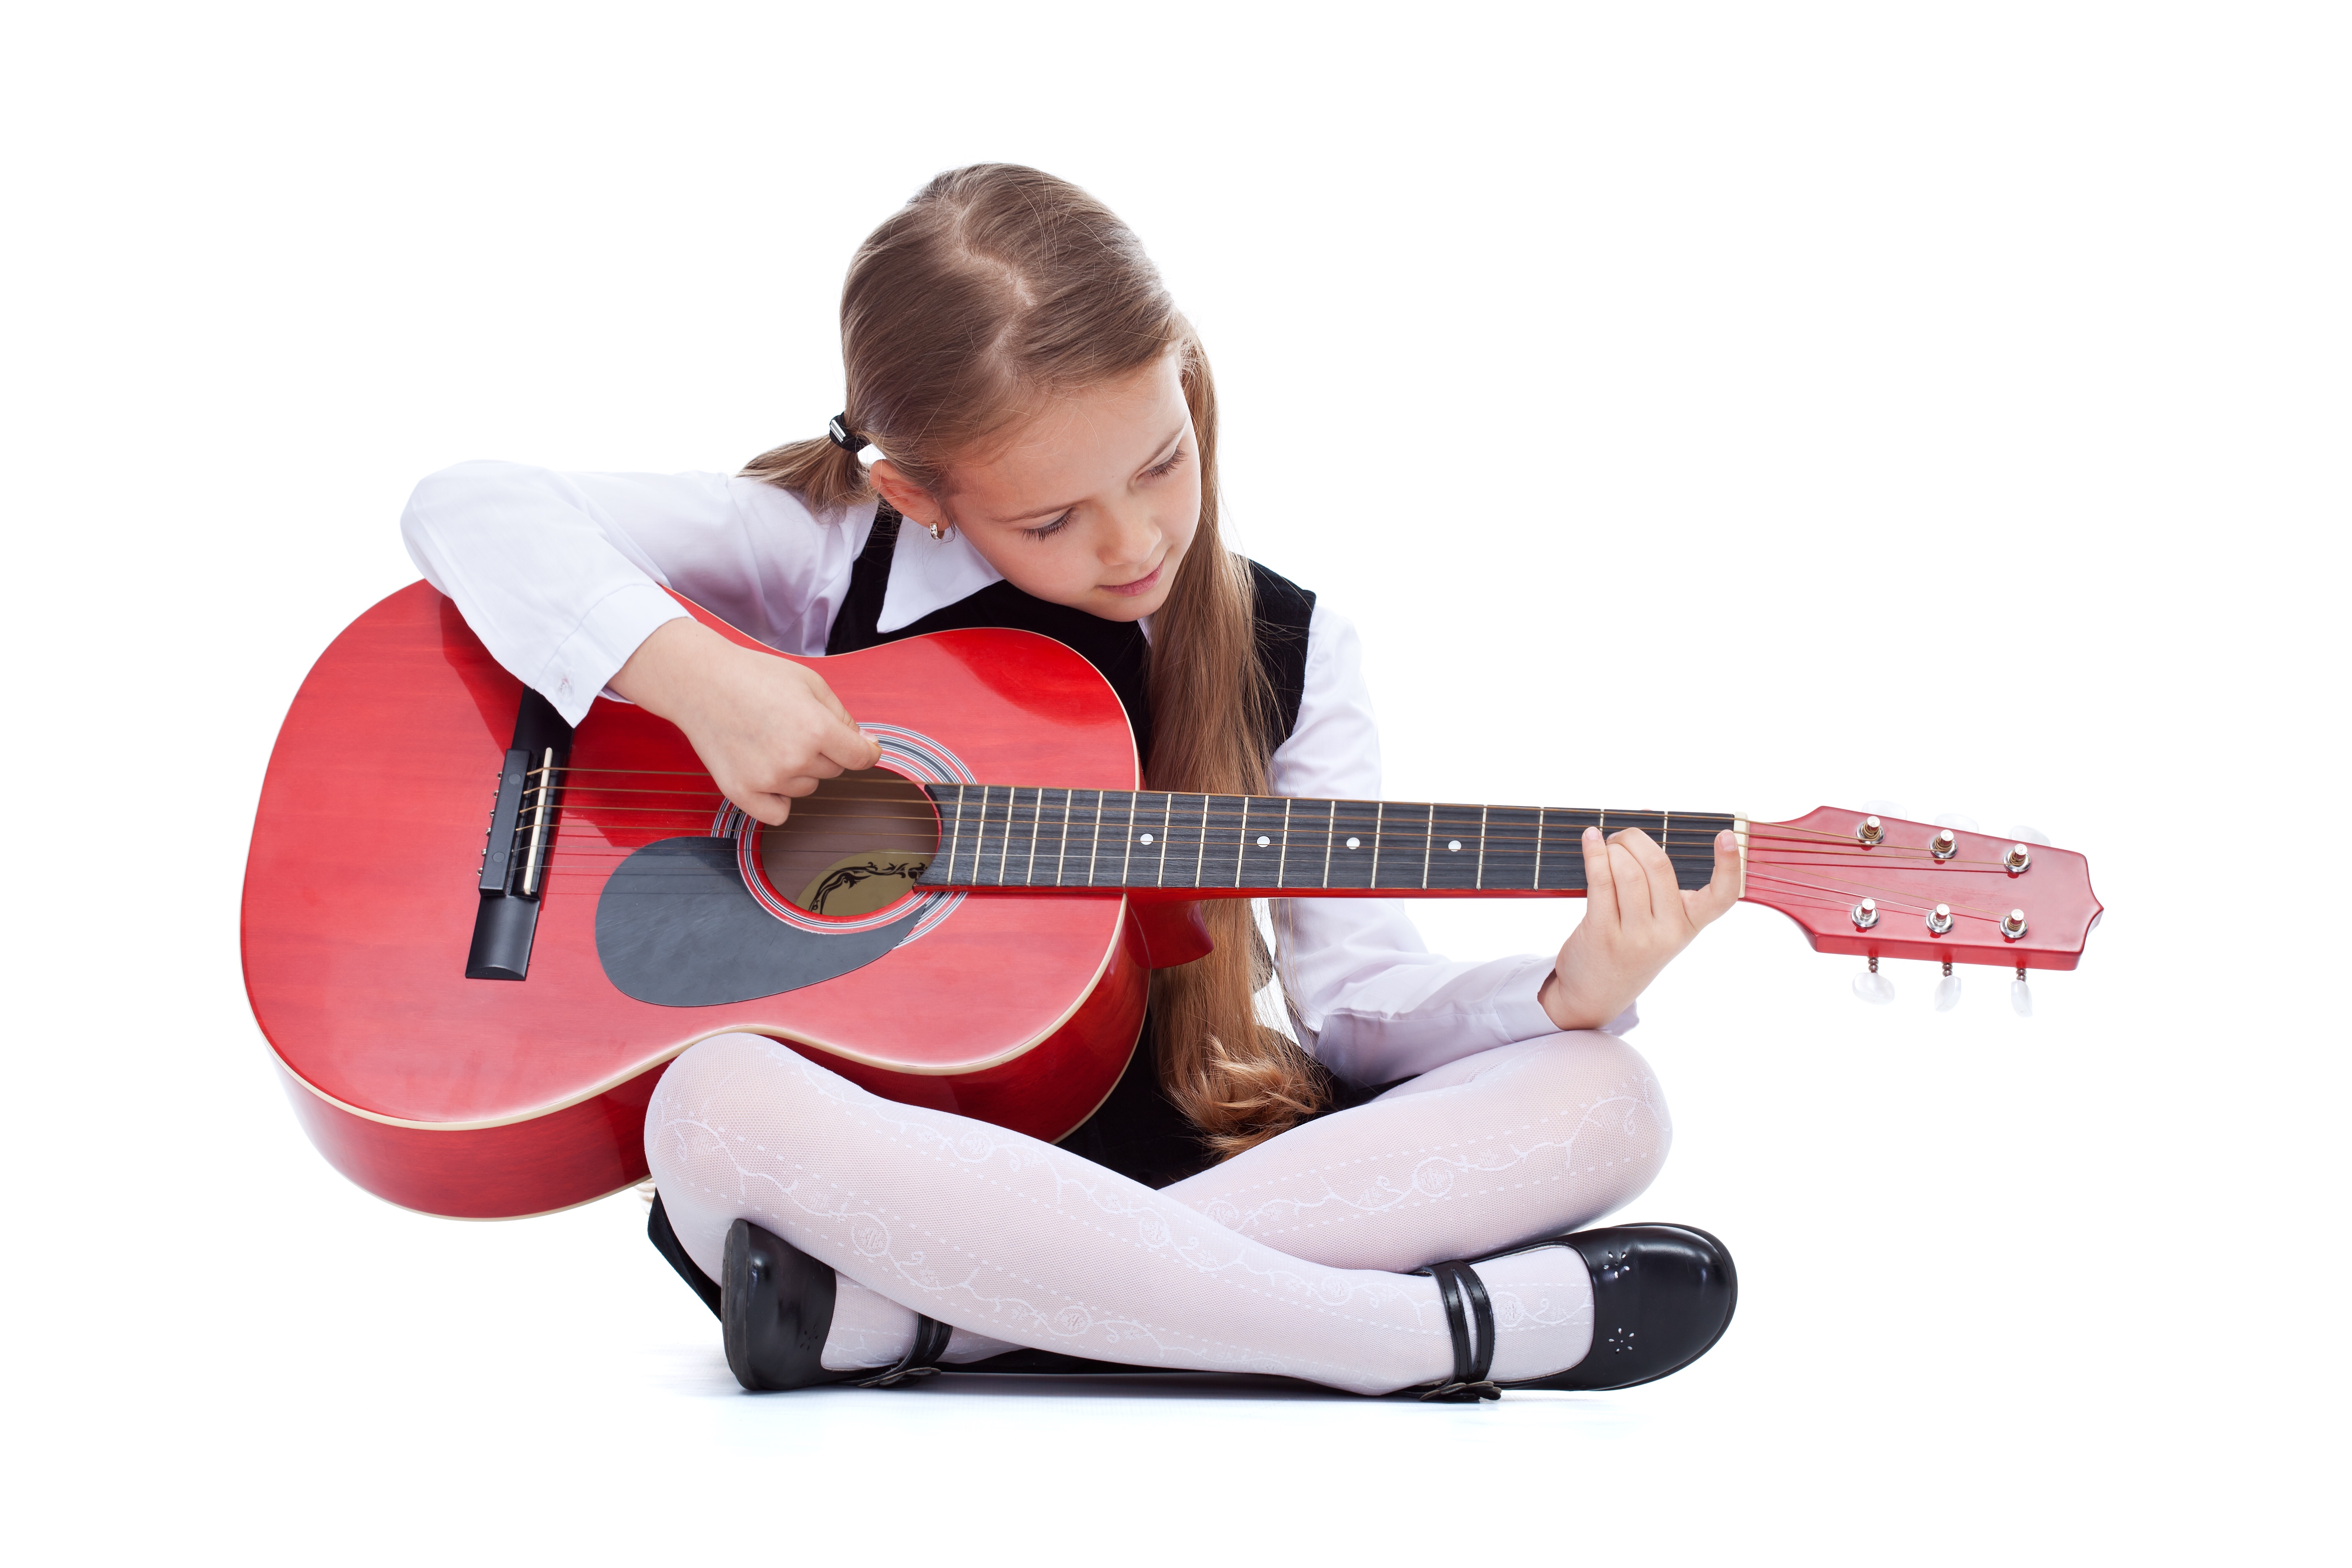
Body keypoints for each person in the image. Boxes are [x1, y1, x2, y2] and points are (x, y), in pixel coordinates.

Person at [402, 164, 1739, 1400]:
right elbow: (468, 504)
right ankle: (1401, 1339)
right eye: (1050, 519)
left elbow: (1356, 1010)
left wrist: (1567, 996)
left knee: (1605, 1095)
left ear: (1186, 377)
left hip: (1189, 1157)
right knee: (710, 1107)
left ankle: (932, 1324)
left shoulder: (1292, 649)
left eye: (1162, 461)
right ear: (918, 492)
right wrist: (694, 677)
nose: (1137, 538)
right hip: (880, 1161)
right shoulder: (824, 553)